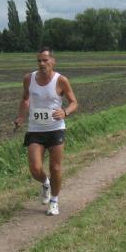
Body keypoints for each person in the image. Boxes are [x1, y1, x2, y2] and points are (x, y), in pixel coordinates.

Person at [14, 48, 78, 216]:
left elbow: (74, 102)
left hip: (55, 128)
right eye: (39, 61)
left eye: (45, 60)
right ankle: (45, 183)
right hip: (35, 129)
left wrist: (65, 112)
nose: (42, 63)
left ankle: (54, 201)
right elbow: (25, 99)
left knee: (55, 168)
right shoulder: (29, 79)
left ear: (53, 61)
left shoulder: (61, 80)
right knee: (35, 168)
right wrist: (21, 116)